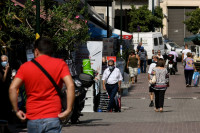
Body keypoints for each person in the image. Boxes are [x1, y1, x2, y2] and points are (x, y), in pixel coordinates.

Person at [9, 38, 75, 133]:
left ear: (36, 51)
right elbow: (70, 86)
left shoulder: (25, 67)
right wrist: (68, 109)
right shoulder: (60, 64)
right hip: (53, 115)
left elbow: (12, 88)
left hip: (33, 116)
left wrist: (16, 110)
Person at [0, 55, 12, 122]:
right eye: (2, 61)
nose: (3, 62)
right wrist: (6, 71)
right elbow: (3, 80)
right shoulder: (1, 69)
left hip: (8, 89)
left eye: (5, 61)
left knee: (8, 106)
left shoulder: (9, 68)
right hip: (2, 90)